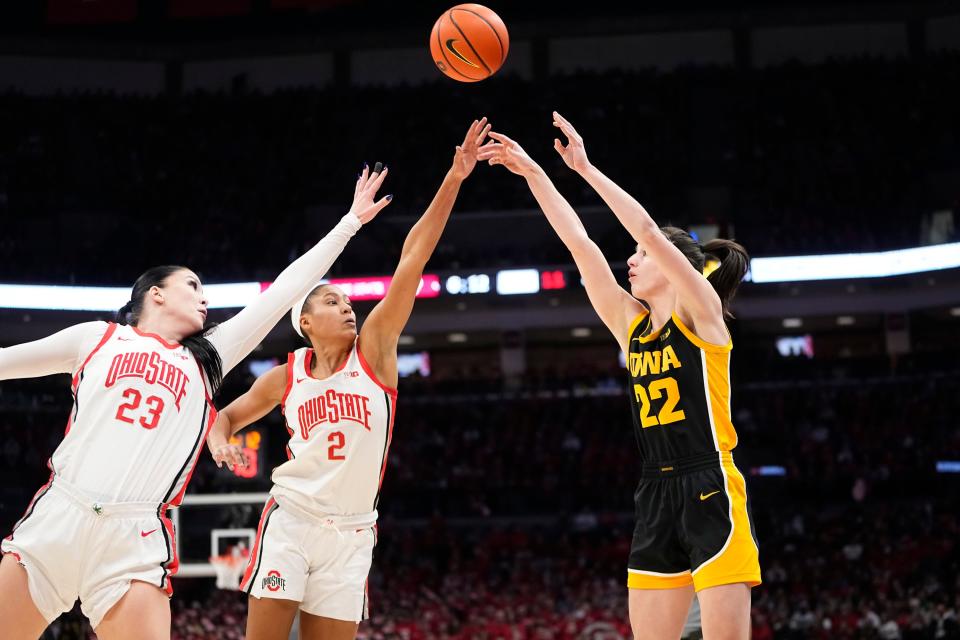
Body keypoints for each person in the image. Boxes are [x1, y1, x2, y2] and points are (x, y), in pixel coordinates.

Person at [0, 166, 391, 640]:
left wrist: (349, 223)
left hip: (135, 536)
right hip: (61, 514)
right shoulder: (96, 338)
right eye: (194, 287)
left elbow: (285, 291)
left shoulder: (209, 359)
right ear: (156, 293)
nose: (205, 301)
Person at [206, 118, 491, 640]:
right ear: (305, 323)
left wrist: (455, 177)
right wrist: (220, 441)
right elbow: (225, 414)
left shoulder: (375, 352)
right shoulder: (284, 377)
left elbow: (413, 260)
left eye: (348, 301)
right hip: (291, 519)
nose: (348, 309)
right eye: (333, 302)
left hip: (355, 531)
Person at [478, 112, 760, 639]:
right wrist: (536, 174)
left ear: (675, 264)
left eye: (640, 256)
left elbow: (648, 231)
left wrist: (584, 168)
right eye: (631, 255)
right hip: (654, 488)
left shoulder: (702, 316)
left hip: (711, 485)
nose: (631, 260)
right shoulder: (631, 327)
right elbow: (582, 249)